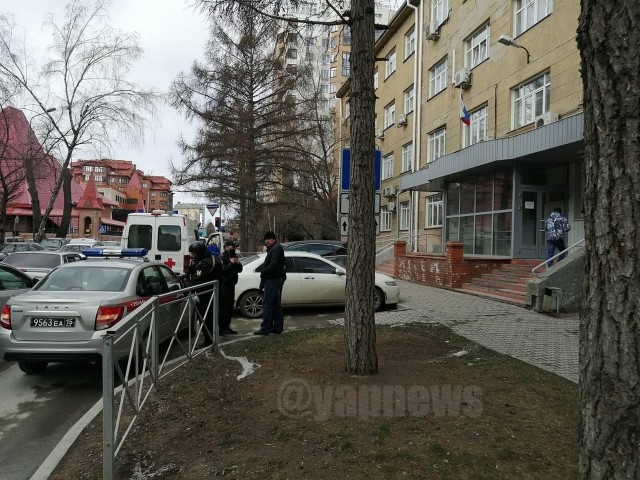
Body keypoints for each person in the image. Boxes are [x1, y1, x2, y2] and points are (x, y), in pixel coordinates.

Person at [186, 241, 222, 346]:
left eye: (194, 253)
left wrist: (185, 289)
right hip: (213, 293)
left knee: (206, 318)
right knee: (211, 317)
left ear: (199, 252)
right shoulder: (214, 259)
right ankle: (211, 337)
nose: (192, 256)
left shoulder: (204, 263)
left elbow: (197, 280)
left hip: (206, 295)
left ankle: (209, 340)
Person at [255, 231, 286, 335]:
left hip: (272, 280)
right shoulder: (275, 248)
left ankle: (265, 328)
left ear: (273, 239)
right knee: (275, 305)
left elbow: (273, 264)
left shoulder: (276, 248)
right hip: (275, 279)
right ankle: (277, 327)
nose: (266, 241)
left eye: (268, 239)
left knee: (267, 304)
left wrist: (263, 272)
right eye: (265, 239)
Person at [219, 239, 243, 335]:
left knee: (229, 308)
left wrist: (237, 262)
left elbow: (240, 269)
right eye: (231, 247)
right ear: (226, 247)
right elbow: (223, 270)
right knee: (224, 308)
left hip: (231, 285)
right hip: (224, 286)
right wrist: (230, 263)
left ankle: (227, 326)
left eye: (234, 247)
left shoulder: (233, 256)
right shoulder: (222, 256)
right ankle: (221, 328)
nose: (233, 249)